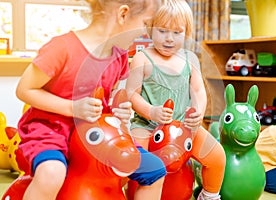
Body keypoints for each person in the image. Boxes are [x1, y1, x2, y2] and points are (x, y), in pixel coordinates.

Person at [15, 0, 166, 200]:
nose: (145, 34)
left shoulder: (119, 56)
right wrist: (72, 108)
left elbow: (107, 100)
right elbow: (24, 89)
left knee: (155, 170)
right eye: (145, 23)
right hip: (51, 130)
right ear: (122, 14)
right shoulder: (62, 47)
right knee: (51, 173)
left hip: (95, 133)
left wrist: (117, 111)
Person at [125, 1, 226, 199]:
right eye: (162, 31)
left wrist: (198, 112)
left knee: (217, 157)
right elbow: (131, 94)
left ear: (186, 33)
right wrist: (151, 111)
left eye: (177, 33)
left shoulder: (190, 59)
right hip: (147, 125)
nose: (169, 39)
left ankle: (209, 195)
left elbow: (198, 90)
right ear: (150, 28)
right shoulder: (142, 58)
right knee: (136, 160)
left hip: (184, 127)